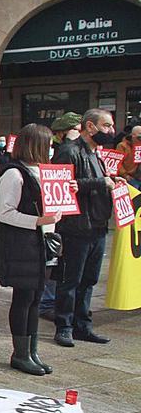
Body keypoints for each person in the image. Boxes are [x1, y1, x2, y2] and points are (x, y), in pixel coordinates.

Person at [51, 108, 127, 348]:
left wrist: (113, 181)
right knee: (70, 280)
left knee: (89, 280)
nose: (111, 131)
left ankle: (83, 325)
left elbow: (92, 182)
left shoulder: (97, 154)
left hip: (98, 225)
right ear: (90, 127)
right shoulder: (69, 151)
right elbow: (62, 187)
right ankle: (64, 326)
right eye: (106, 126)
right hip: (76, 228)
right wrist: (100, 182)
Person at [0, 124, 61, 376]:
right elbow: (5, 212)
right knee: (23, 299)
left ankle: (32, 351)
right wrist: (36, 221)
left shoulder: (43, 172)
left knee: (35, 298)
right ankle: (20, 353)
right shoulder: (14, 174)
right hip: (22, 246)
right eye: (49, 144)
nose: (52, 149)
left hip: (43, 244)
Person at [39, 112, 83, 321]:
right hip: (54, 215)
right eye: (77, 130)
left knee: (58, 259)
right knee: (52, 256)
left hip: (67, 215)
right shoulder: (63, 151)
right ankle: (47, 302)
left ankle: (52, 300)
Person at [116, 124, 141, 190]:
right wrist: (125, 175)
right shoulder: (122, 146)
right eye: (139, 136)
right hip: (129, 177)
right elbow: (118, 162)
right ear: (133, 135)